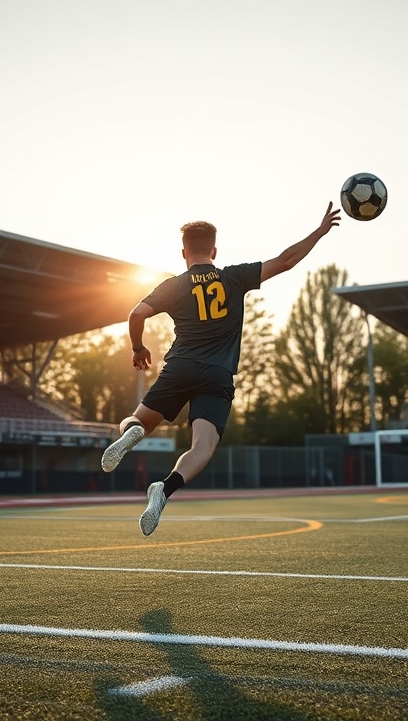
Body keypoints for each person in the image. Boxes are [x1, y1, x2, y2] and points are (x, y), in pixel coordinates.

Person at [101, 201, 341, 536]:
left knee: (138, 420)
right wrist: (319, 231)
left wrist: (138, 347)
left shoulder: (175, 284)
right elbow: (285, 261)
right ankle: (165, 489)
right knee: (202, 446)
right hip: (217, 375)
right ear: (214, 250)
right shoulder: (233, 277)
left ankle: (133, 432)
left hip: (181, 366)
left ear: (184, 252)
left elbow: (136, 314)